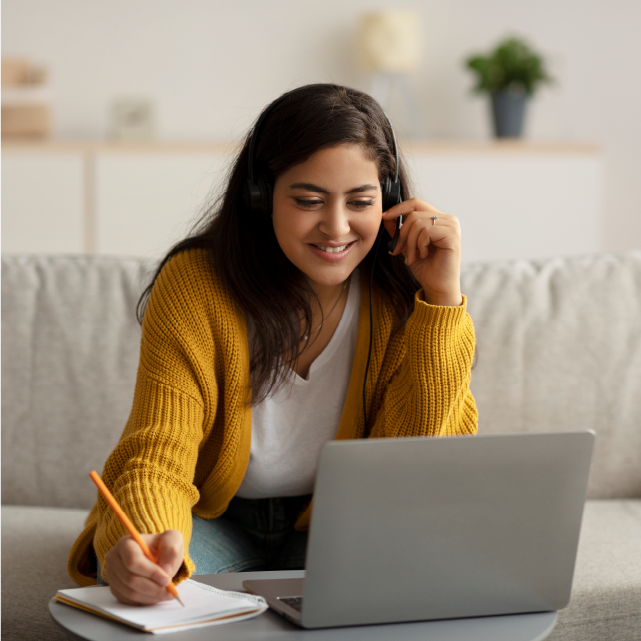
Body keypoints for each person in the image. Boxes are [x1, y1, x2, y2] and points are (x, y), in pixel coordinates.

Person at [68, 83, 478, 605]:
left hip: (335, 526)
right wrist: (146, 540)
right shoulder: (196, 285)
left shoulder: (406, 293)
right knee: (149, 588)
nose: (336, 227)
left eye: (360, 202)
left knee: (404, 586)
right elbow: (158, 450)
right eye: (308, 200)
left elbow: (416, 469)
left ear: (388, 197)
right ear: (261, 196)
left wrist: (441, 300)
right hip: (210, 516)